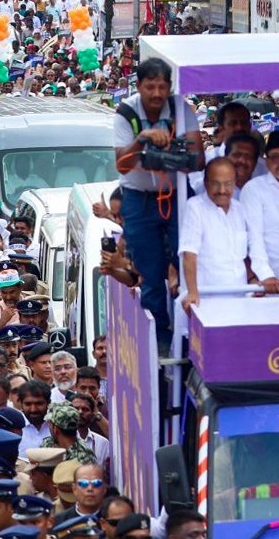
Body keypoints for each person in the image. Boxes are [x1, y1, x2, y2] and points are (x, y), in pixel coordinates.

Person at [111, 58, 201, 346]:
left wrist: (174, 151)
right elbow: (122, 166)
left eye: (163, 87)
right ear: (138, 86)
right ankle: (159, 341)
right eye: (150, 87)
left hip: (176, 195)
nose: (157, 94)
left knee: (187, 260)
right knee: (148, 271)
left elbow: (197, 158)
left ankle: (191, 333)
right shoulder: (126, 112)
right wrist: (143, 140)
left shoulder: (180, 108)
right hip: (138, 199)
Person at [179, 158, 279, 310]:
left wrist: (258, 280)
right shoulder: (195, 207)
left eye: (228, 184)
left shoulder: (240, 209)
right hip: (206, 301)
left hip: (240, 301)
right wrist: (193, 293)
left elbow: (249, 249)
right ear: (206, 182)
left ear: (235, 183)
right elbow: (189, 254)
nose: (222, 190)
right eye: (215, 183)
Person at [241, 130, 279, 284]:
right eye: (275, 157)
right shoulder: (254, 189)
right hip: (268, 282)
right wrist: (265, 275)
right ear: (266, 161)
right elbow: (254, 237)